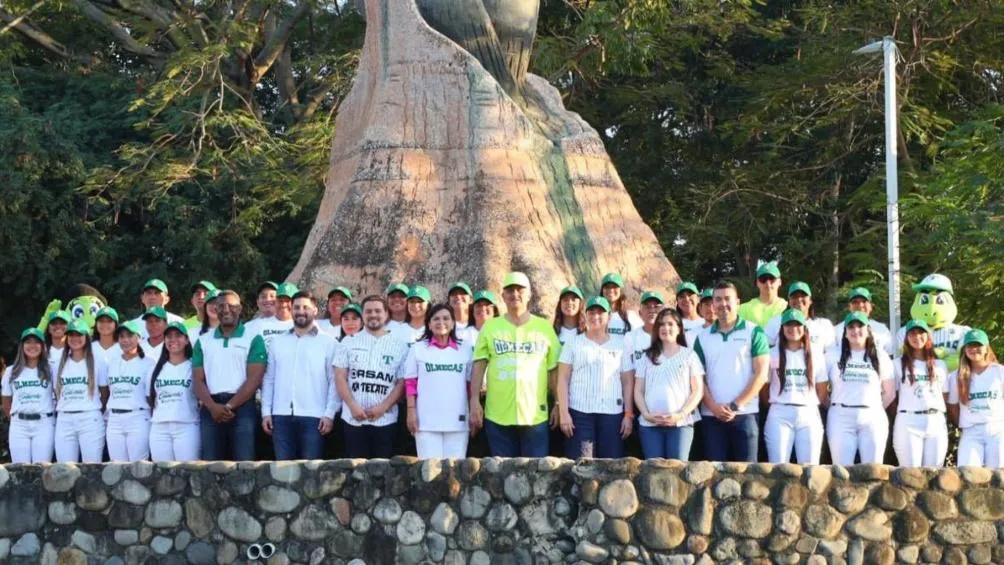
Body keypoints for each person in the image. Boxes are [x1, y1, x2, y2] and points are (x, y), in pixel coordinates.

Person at [470, 272, 561, 457]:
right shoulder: (490, 327)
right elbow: (479, 366)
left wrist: (558, 403)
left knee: (536, 475)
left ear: (529, 295)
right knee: (501, 476)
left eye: (520, 290)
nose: (515, 294)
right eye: (510, 290)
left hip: (534, 415)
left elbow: (554, 371)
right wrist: (474, 401)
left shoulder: (544, 327)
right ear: (503, 296)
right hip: (497, 415)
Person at [693, 281, 770, 462]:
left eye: (728, 299)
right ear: (713, 304)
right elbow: (697, 378)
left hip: (745, 414)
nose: (723, 304)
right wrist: (713, 406)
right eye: (718, 300)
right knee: (714, 477)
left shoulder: (754, 332)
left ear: (737, 302)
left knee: (747, 476)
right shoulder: (701, 338)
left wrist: (735, 406)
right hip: (712, 417)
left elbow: (760, 374)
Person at [262, 291, 340, 460]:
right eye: (296, 307)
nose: (300, 311)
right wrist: (266, 412)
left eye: (306, 307)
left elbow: (335, 382)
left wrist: (329, 414)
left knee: (311, 473)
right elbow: (269, 379)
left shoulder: (329, 343)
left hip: (315, 417)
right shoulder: (278, 342)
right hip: (280, 416)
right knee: (282, 472)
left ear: (315, 310)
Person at [192, 290, 267, 461]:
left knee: (244, 463)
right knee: (210, 464)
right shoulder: (203, 341)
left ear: (240, 309)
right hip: (211, 408)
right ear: (215, 310)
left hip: (242, 407)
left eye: (231, 306)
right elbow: (197, 380)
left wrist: (228, 407)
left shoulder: (253, 338)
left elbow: (255, 379)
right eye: (221, 306)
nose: (226, 310)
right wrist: (212, 407)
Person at [556, 296, 634, 458]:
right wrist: (564, 412)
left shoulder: (620, 345)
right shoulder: (574, 343)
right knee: (581, 466)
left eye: (600, 313)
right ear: (585, 315)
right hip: (580, 412)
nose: (595, 317)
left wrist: (628, 414)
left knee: (611, 466)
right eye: (591, 312)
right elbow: (563, 379)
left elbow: (627, 382)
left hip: (612, 413)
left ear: (609, 316)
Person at [334, 295, 410, 458]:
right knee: (356, 472)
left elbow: (402, 382)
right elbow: (340, 377)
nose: (373, 314)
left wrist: (383, 407)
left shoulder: (400, 346)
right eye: (368, 311)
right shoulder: (348, 342)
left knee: (382, 472)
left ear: (386, 314)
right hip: (353, 418)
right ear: (363, 314)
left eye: (377, 311)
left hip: (385, 419)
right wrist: (353, 406)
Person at [821, 312, 895, 465]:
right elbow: (821, 391)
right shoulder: (832, 356)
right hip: (840, 418)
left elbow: (890, 392)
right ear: (845, 333)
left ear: (868, 330)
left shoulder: (880, 356)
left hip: (872, 418)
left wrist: (874, 408)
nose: (856, 331)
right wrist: (835, 406)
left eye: (860, 326)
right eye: (851, 327)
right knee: (842, 470)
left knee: (873, 469)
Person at [403, 303, 474, 458]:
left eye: (446, 318)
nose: (441, 322)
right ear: (428, 324)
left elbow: (470, 385)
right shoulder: (418, 348)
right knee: (429, 472)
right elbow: (410, 383)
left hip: (458, 422)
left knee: (454, 474)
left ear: (453, 323)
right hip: (426, 423)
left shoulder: (466, 349)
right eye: (436, 319)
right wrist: (411, 411)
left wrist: (475, 410)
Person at [633, 309, 703, 460]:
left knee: (677, 471)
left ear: (679, 328)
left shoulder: (689, 355)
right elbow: (638, 390)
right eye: (662, 324)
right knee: (653, 471)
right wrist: (646, 414)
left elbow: (697, 391)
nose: (666, 328)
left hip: (681, 425)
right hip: (650, 425)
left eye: (670, 324)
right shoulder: (647, 357)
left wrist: (681, 414)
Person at [763, 309, 827, 464]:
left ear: (804, 328)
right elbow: (764, 388)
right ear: (782, 328)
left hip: (808, 413)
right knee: (778, 467)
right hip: (779, 413)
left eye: (797, 325)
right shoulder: (771, 354)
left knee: (810, 468)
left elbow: (822, 388)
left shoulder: (815, 354)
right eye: (788, 325)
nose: (793, 329)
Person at [892, 319, 949, 467]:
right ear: (906, 338)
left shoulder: (940, 365)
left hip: (935, 421)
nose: (917, 337)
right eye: (912, 333)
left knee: (935, 474)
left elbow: (945, 395)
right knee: (910, 475)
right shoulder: (897, 364)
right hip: (908, 420)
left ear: (928, 336)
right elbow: (892, 395)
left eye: (921, 333)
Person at [54, 320, 109, 463]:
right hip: (64, 419)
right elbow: (56, 392)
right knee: (65, 469)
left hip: (90, 418)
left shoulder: (98, 361)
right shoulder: (59, 363)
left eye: (79, 335)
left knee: (92, 467)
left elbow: (104, 393)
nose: (75, 339)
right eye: (71, 335)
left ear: (87, 337)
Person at [948, 329, 1004, 467]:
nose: (974, 349)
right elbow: (953, 406)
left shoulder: (1000, 371)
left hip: (997, 429)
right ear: (964, 350)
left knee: (999, 474)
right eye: (970, 346)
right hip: (970, 430)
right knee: (967, 472)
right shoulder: (956, 376)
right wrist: (964, 422)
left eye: (978, 345)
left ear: (986, 348)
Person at [149, 322, 201, 462]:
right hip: (159, 427)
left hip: (187, 425)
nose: (173, 340)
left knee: (188, 471)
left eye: (178, 336)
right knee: (160, 473)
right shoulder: (156, 368)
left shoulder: (193, 367)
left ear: (187, 340)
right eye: (169, 336)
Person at [2, 328, 56, 463]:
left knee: (42, 469)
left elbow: (58, 395)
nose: (32, 346)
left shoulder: (51, 369)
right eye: (28, 342)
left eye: (36, 342)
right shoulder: (11, 371)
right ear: (22, 346)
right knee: (20, 469)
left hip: (44, 424)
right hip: (19, 425)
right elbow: (6, 403)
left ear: (43, 346)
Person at [105, 320, 154, 461]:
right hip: (114, 419)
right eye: (121, 336)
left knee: (138, 465)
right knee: (116, 465)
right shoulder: (112, 363)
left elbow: (152, 395)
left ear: (138, 338)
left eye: (130, 336)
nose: (125, 340)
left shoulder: (149, 363)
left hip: (138, 417)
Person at [764, 282, 836, 354]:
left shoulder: (823, 324)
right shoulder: (776, 321)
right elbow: (765, 349)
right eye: (794, 296)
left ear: (810, 300)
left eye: (803, 295)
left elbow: (830, 354)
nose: (799, 299)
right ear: (789, 301)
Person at [834, 287, 893, 355]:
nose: (860, 305)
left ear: (871, 306)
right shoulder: (837, 330)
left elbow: (890, 352)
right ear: (849, 307)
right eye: (855, 302)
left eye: (864, 301)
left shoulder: (882, 329)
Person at [737, 262, 787, 328]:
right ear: (757, 282)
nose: (768, 283)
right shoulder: (743, 309)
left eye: (772, 278)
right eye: (763, 279)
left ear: (780, 282)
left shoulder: (787, 307)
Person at [599, 272, 644, 340]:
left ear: (621, 290)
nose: (611, 290)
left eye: (615, 286)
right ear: (602, 290)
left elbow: (641, 339)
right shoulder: (594, 317)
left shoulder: (630, 316)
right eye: (607, 287)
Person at [625, 291, 664, 364]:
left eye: (656, 307)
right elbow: (627, 367)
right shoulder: (630, 337)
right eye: (647, 307)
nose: (652, 310)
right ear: (640, 313)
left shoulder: (670, 337)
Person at [46, 310, 71, 375]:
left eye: (62, 323)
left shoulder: (76, 350)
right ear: (48, 328)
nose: (58, 326)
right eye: (54, 323)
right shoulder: (42, 351)